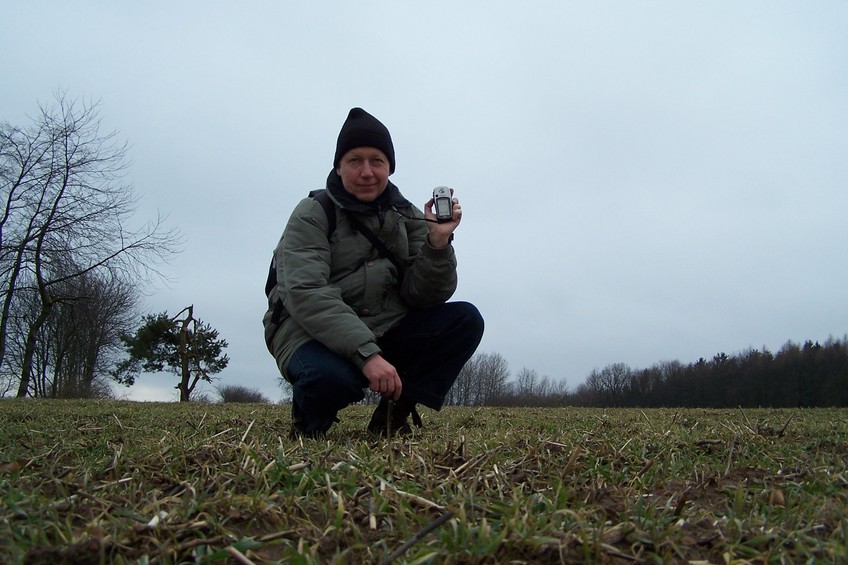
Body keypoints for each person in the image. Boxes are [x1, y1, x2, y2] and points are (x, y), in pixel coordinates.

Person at [263, 107, 484, 438]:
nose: (367, 171)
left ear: (389, 168)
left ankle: (393, 415)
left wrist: (437, 244)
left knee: (465, 320)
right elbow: (306, 292)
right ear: (339, 166)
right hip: (307, 331)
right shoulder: (312, 213)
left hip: (383, 325)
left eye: (377, 161)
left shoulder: (407, 215)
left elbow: (422, 296)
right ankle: (309, 420)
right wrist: (367, 355)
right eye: (355, 160)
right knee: (333, 379)